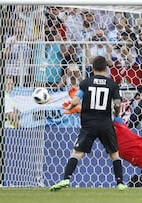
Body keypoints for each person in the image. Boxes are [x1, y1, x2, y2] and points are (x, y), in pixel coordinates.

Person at [50, 56, 127, 191]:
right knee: (114, 153)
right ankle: (120, 183)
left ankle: (66, 179)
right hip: (105, 124)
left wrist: (69, 107)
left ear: (92, 68)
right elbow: (117, 103)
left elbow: (76, 100)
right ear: (106, 68)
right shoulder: (112, 84)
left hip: (89, 123)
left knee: (77, 152)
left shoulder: (86, 83)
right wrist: (116, 113)